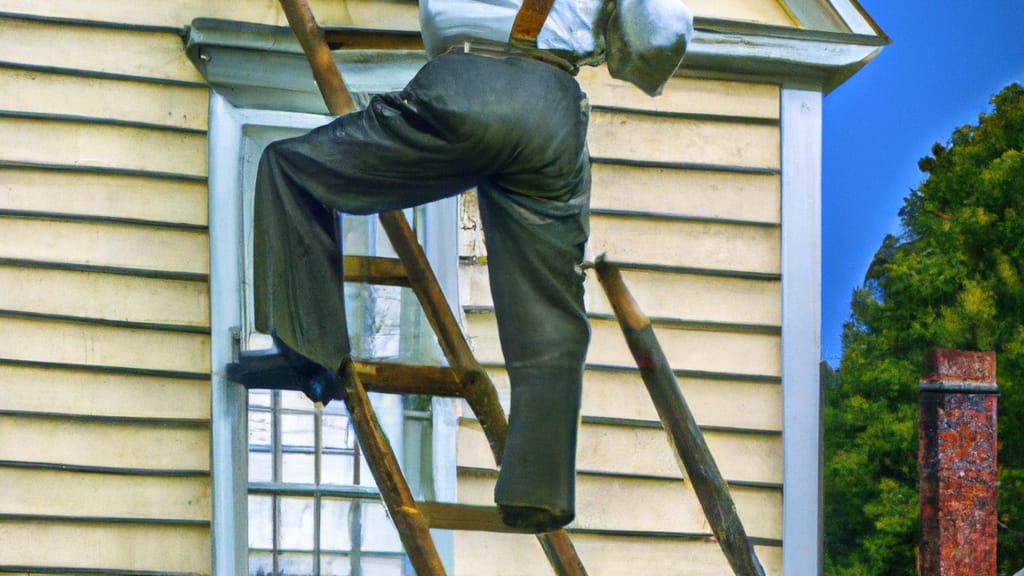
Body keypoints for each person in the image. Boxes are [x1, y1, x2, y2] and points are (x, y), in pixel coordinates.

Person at [229, 0, 693, 533]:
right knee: (550, 302)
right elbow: (657, 26)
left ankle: (310, 360)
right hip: (551, 112)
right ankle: (537, 494)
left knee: (293, 170)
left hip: (466, 93)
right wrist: (621, 54)